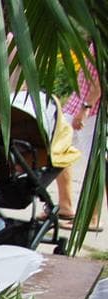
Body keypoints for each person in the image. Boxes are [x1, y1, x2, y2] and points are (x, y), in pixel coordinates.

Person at [55, 44, 99, 227]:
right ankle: (65, 207)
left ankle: (92, 217)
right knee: (58, 149)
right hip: (78, 101)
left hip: (93, 109)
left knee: (98, 164)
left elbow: (103, 80)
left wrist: (86, 108)